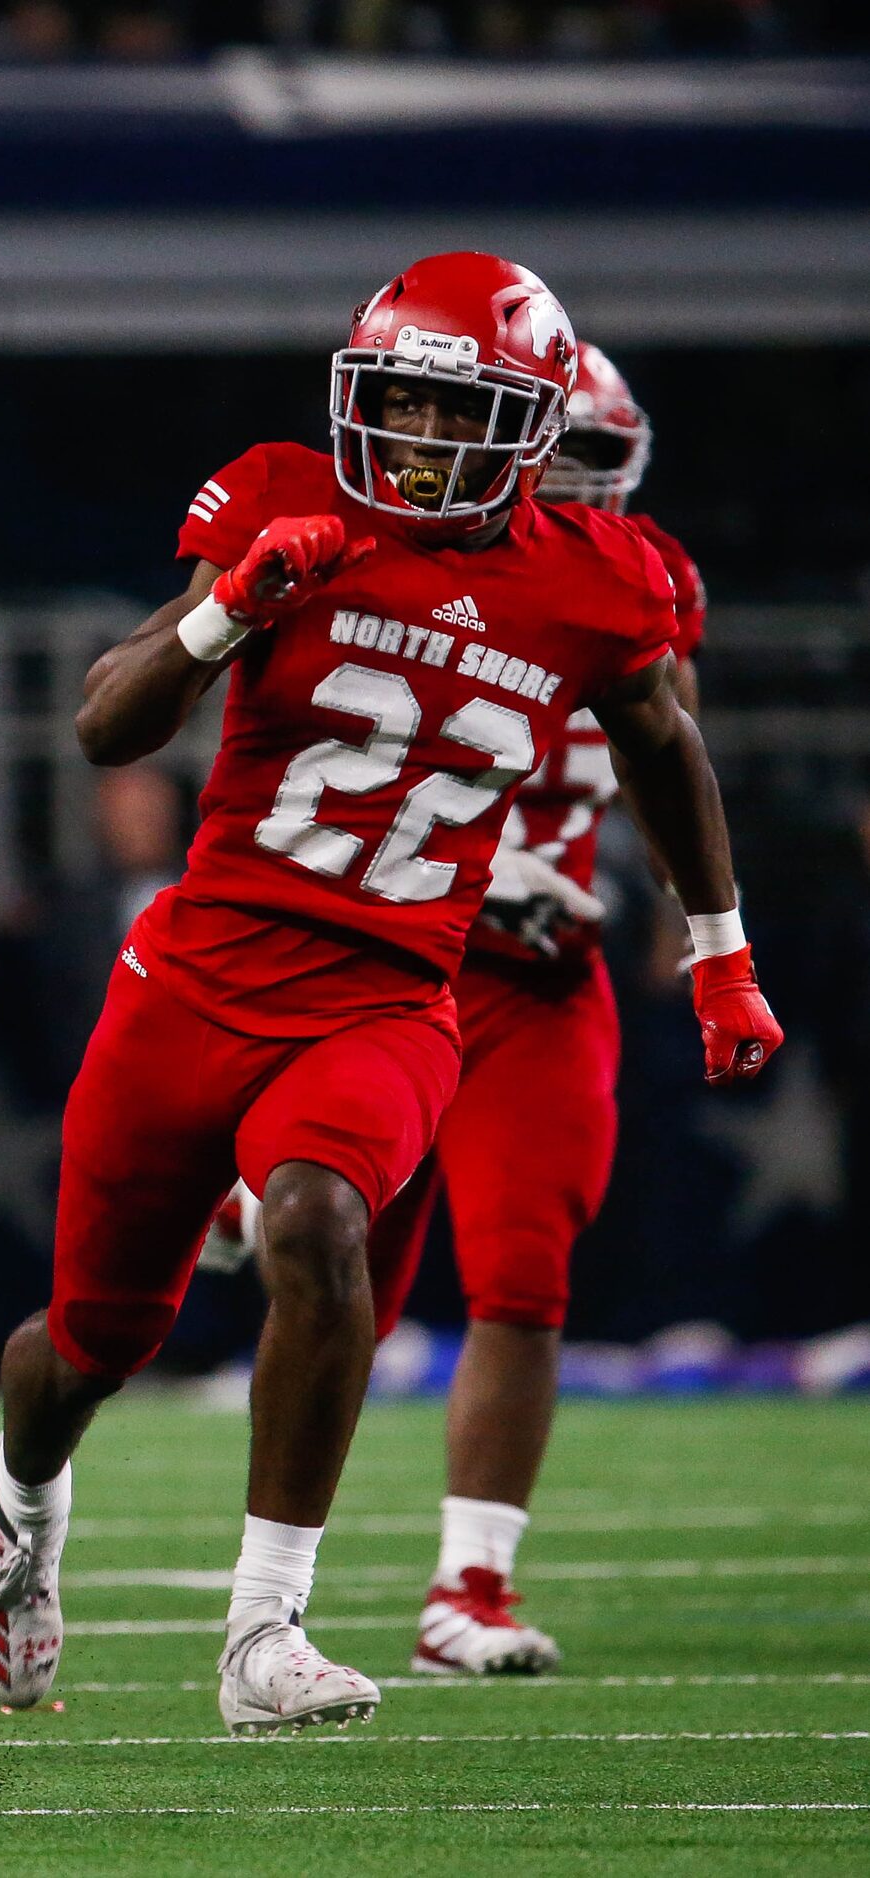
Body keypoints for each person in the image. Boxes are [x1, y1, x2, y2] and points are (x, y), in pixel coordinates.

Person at [0, 252, 781, 1735]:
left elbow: (662, 742)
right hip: (196, 978)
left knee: (321, 1224)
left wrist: (714, 937)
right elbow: (100, 723)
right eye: (391, 399)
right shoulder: (291, 495)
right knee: (89, 1345)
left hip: (395, 990)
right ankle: (19, 1499)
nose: (408, 434)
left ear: (526, 427)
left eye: (447, 407)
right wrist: (222, 614)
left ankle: (264, 1627)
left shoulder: (595, 578)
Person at [370, 342, 714, 1674]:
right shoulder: (404, 559)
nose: (558, 490)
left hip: (543, 975)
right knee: (333, 1259)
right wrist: (480, 867)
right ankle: (267, 1582)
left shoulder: (644, 580)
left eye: (586, 468)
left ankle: (471, 1583)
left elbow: (668, 761)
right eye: (541, 458)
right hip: (392, 948)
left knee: (522, 1275)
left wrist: (684, 917)